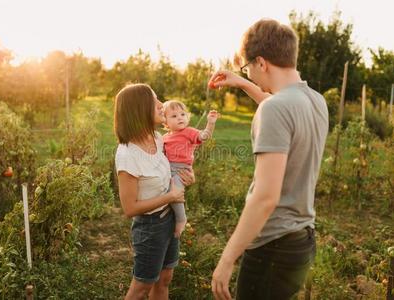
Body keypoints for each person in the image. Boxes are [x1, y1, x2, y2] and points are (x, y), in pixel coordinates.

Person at [208, 19, 329, 300]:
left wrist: (228, 258)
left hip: (271, 247)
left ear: (261, 62)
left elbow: (265, 197)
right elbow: (278, 108)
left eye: (248, 68)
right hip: (301, 241)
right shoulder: (314, 100)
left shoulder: (276, 109)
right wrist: (241, 83)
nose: (249, 74)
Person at [114, 83, 195, 300]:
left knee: (165, 278)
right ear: (139, 108)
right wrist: (170, 196)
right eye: (154, 101)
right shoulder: (127, 154)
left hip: (170, 218)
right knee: (141, 288)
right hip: (150, 228)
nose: (162, 105)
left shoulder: (158, 139)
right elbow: (130, 208)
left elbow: (172, 172)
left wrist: (188, 176)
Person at [162, 100, 220, 237]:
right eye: (174, 116)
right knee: (164, 191)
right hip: (167, 169)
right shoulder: (164, 137)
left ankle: (181, 219)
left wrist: (211, 123)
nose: (180, 118)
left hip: (181, 170)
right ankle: (168, 212)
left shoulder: (189, 132)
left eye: (182, 114)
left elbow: (204, 136)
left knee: (174, 191)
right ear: (165, 123)